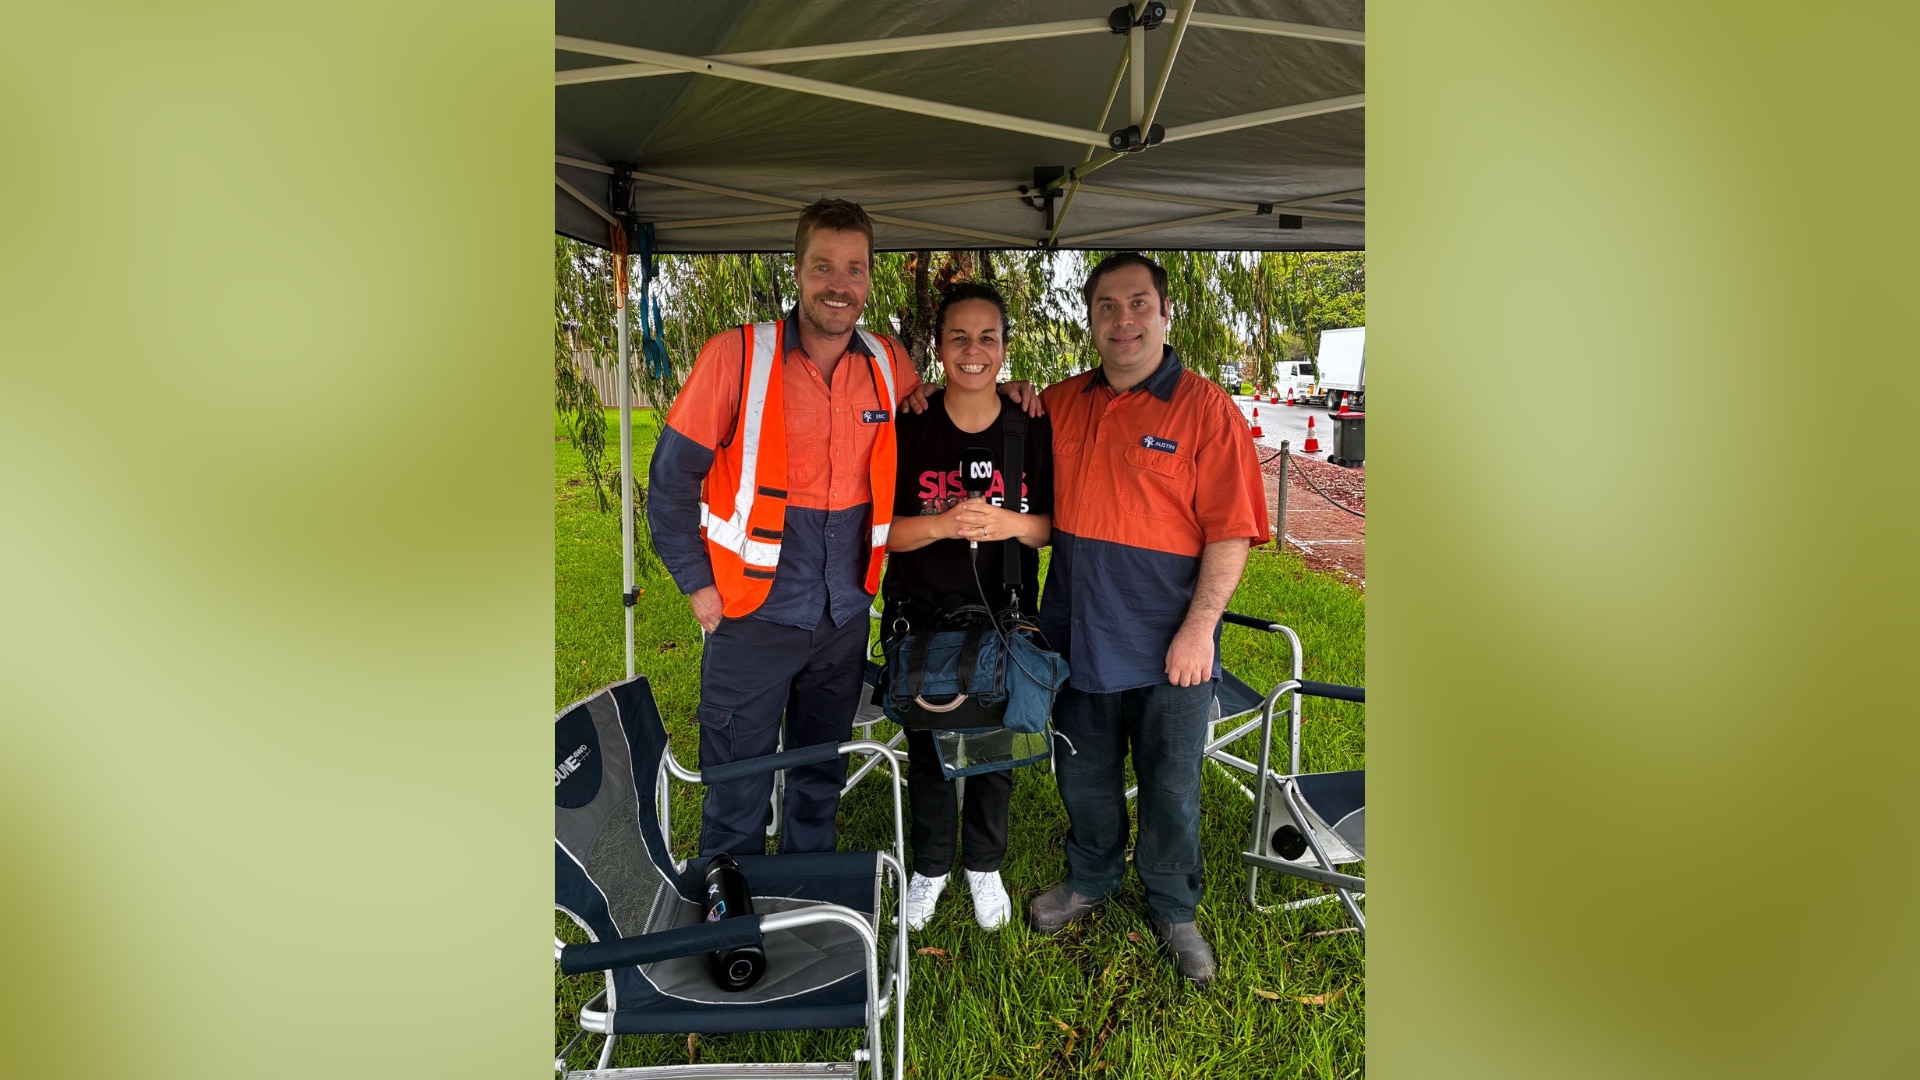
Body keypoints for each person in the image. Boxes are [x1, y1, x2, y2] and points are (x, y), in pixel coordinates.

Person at [646, 198, 923, 856]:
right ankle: (730, 899)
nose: (839, 285)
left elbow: (938, 410)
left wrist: (1011, 397)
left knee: (819, 774)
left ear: (869, 277)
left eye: (854, 269)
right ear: (797, 271)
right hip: (752, 614)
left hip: (843, 615)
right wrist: (697, 585)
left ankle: (805, 891)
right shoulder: (737, 356)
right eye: (823, 267)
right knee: (737, 785)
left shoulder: (888, 362)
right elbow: (669, 482)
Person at [1026, 252, 1271, 986]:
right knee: (1083, 774)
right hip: (1077, 633)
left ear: (1166, 313)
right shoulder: (1059, 402)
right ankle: (1091, 878)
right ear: (1090, 319)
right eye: (1106, 305)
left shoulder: (1208, 411)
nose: (1123, 320)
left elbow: (1231, 532)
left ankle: (1172, 905)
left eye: (1138, 303)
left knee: (1170, 784)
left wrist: (1199, 630)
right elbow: (988, 428)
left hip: (1171, 645)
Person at [880, 282, 1053, 932]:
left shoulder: (1028, 425)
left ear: (1005, 347)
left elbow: (1052, 528)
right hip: (921, 613)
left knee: (992, 748)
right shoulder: (911, 424)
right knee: (927, 749)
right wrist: (945, 523)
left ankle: (984, 863)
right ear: (939, 346)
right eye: (958, 336)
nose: (973, 350)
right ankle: (931, 866)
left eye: (987, 337)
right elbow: (883, 532)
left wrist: (1009, 524)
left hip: (1003, 616)